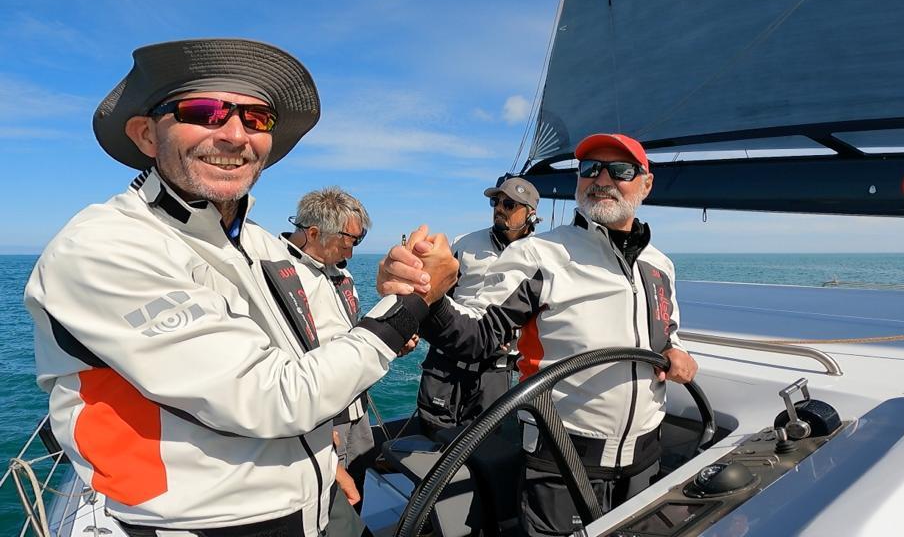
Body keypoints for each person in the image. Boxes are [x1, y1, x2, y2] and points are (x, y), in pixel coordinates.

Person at [24, 39, 456, 537]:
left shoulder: (262, 246)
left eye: (257, 119)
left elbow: (331, 354)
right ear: (146, 134)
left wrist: (314, 456)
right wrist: (416, 299)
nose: (234, 134)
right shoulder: (101, 247)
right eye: (203, 112)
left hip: (313, 499)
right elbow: (273, 396)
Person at [382, 133, 699, 537]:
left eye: (619, 169)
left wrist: (678, 353)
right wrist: (429, 296)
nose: (602, 178)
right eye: (590, 169)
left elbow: (667, 332)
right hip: (563, 458)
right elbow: (476, 336)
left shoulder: (659, 266)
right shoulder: (541, 255)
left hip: (646, 456)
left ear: (646, 183)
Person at [279, 186, 383, 511]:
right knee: (327, 500)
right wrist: (314, 430)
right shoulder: (280, 275)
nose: (351, 254)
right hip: (321, 415)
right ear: (313, 233)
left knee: (358, 484)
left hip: (356, 406)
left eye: (357, 243)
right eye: (348, 243)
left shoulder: (340, 272)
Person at [416, 177, 540, 438]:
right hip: (446, 363)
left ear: (530, 214)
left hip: (495, 371)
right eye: (496, 202)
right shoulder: (464, 244)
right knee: (432, 435)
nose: (500, 208)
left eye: (509, 204)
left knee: (486, 444)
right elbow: (438, 291)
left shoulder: (539, 257)